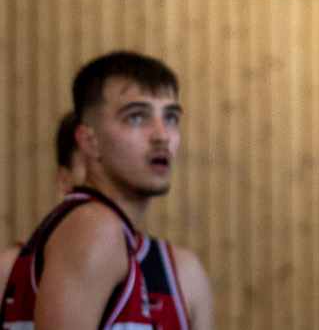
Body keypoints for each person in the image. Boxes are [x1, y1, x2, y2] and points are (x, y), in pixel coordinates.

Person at [1, 52, 215, 330]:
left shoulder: (95, 226)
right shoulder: (95, 227)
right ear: (90, 141)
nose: (162, 135)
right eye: (136, 117)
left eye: (171, 118)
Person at [1, 111, 90, 269]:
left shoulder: (146, 259)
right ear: (63, 179)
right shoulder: (10, 267)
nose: (109, 180)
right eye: (92, 166)